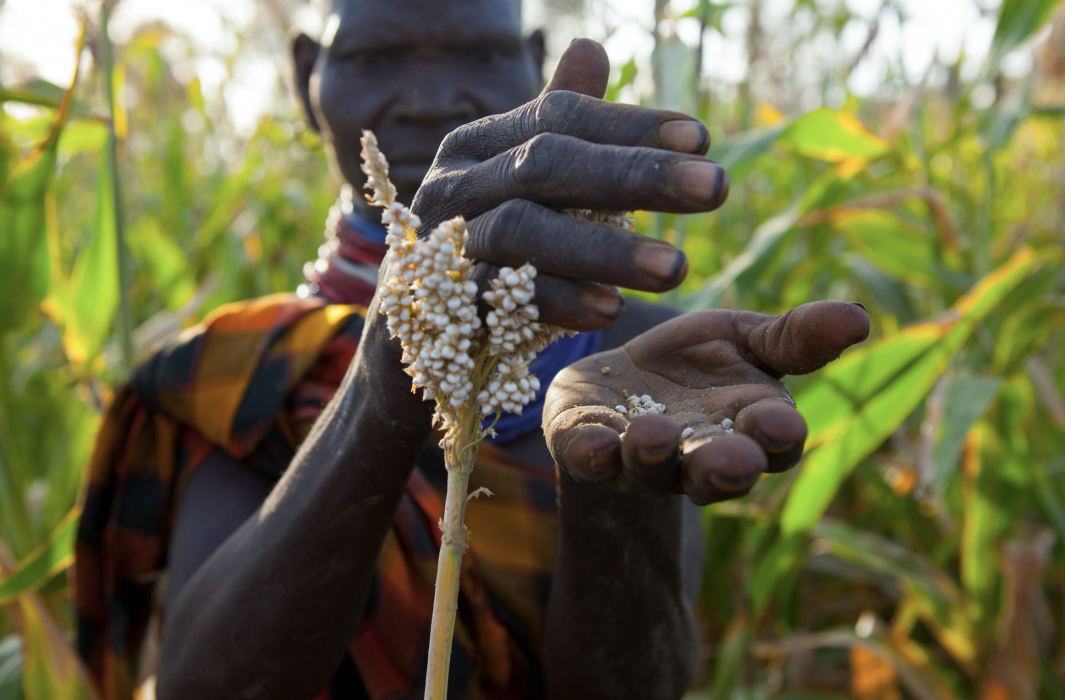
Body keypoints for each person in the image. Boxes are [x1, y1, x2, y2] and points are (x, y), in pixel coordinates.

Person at [72, 1, 871, 699]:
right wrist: (392, 374)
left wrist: (613, 494)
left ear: (533, 64)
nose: (430, 102)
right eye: (377, 57)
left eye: (482, 54)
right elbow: (203, 684)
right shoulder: (247, 370)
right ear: (306, 76)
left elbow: (634, 684)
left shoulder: (636, 358)